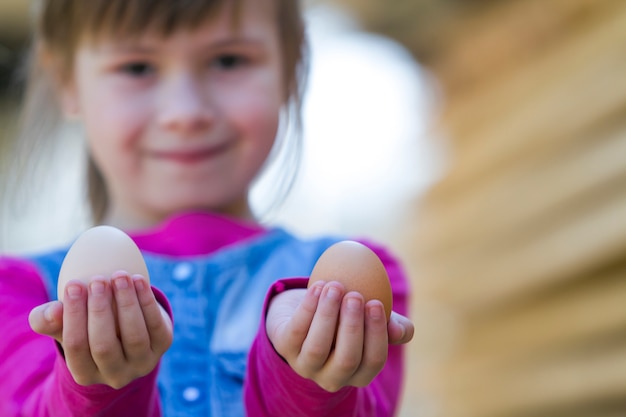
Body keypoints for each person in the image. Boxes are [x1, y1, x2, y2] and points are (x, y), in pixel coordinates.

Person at [0, 0, 415, 416]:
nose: (186, 113)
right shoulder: (17, 294)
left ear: (291, 69)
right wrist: (96, 389)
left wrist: (305, 377)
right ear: (67, 83)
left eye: (229, 60)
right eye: (137, 68)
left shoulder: (356, 288)